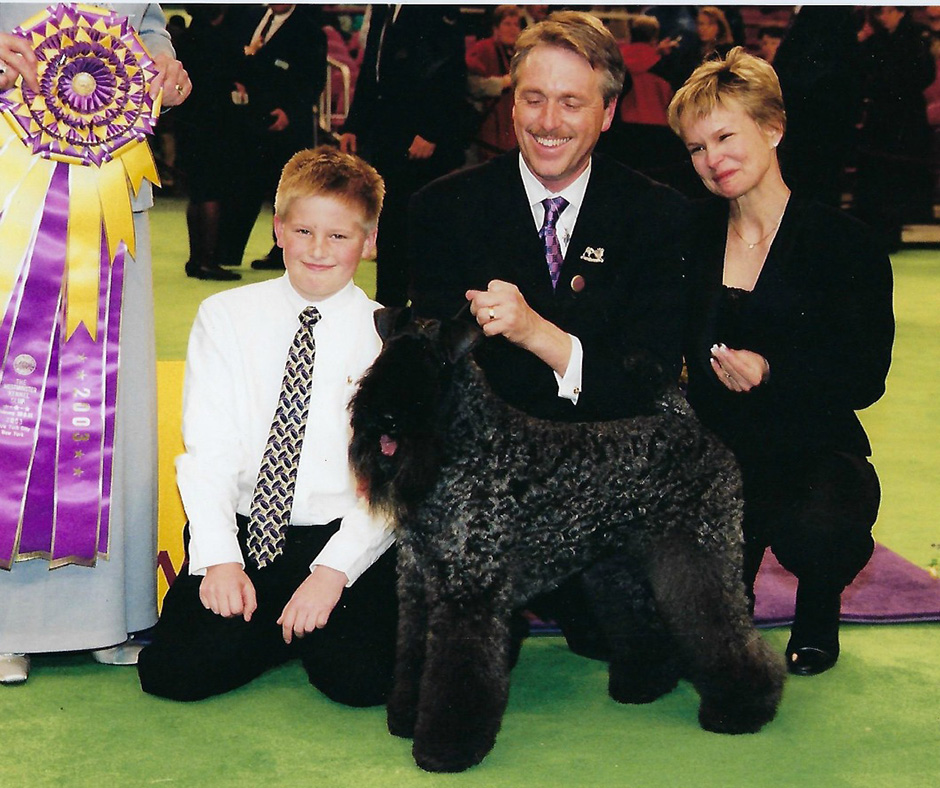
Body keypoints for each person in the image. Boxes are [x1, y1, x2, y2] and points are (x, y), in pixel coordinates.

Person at [409, 11, 689, 658]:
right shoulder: (441, 208)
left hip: (605, 485)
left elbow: (646, 378)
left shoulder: (660, 218)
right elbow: (434, 371)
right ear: (510, 105)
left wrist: (541, 335)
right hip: (484, 491)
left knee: (638, 649)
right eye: (532, 99)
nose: (548, 122)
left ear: (608, 112)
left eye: (572, 102)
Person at [137, 146, 398, 705]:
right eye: (303, 230)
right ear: (278, 229)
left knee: (361, 682)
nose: (317, 250)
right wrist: (220, 559)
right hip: (249, 532)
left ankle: (305, 623)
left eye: (339, 236)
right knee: (172, 675)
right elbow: (208, 451)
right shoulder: (225, 316)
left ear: (370, 242)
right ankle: (279, 629)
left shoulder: (392, 337)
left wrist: (333, 572)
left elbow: (395, 482)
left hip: (343, 534)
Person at [667, 48, 895, 676]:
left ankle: (817, 607)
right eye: (695, 148)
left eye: (724, 135)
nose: (712, 159)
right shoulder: (686, 235)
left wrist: (772, 373)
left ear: (772, 128)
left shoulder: (844, 243)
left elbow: (865, 374)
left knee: (822, 523)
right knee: (697, 641)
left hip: (809, 448)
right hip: (710, 454)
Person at [0, 3, 190, 685]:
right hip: (15, 189)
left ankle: (112, 615)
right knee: (17, 403)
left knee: (112, 403)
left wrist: (162, 64)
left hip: (111, 192)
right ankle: (8, 624)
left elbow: (146, 23)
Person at [339, 4, 467, 306]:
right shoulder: (383, 9)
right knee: (390, 223)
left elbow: (450, 71)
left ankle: (426, 308)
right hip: (387, 134)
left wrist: (431, 131)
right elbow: (372, 69)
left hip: (422, 137)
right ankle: (388, 306)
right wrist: (353, 125)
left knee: (422, 226)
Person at [217, 3, 327, 272]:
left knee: (286, 192)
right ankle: (228, 252)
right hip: (248, 117)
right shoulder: (249, 17)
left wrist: (290, 111)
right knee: (243, 186)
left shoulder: (310, 31)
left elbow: (314, 80)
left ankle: (281, 253)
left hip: (287, 123)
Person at [854, 6, 936, 252]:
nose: (883, 18)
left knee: (897, 178)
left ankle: (892, 231)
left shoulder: (914, 40)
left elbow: (923, 74)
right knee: (878, 175)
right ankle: (879, 231)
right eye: (879, 13)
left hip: (904, 117)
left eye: (887, 12)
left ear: (900, 12)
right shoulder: (875, 41)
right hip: (883, 117)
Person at [174, 4, 243, 281]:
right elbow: (234, 73)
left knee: (198, 193)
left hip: (189, 123)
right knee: (214, 193)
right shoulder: (223, 39)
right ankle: (209, 260)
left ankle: (195, 258)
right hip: (216, 124)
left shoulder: (187, 38)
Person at [465, 5, 522, 162]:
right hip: (487, 129)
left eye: (516, 24)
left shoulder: (519, 53)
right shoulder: (483, 49)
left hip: (509, 128)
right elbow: (470, 85)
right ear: (496, 27)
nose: (513, 29)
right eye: (507, 24)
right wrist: (501, 83)